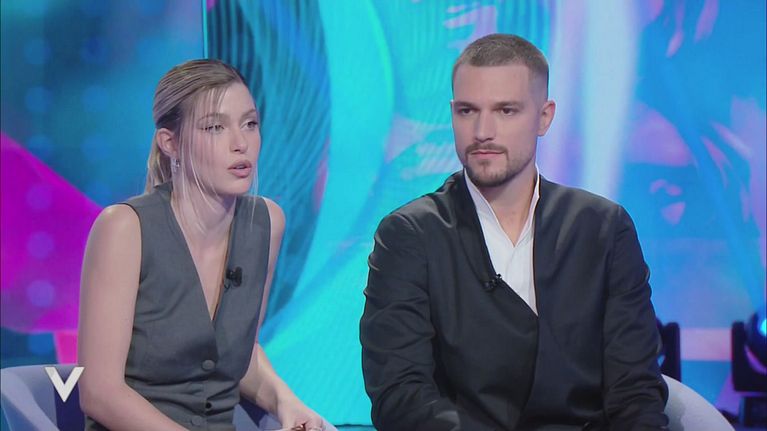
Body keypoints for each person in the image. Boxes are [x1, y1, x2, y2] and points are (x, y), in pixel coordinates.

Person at [360, 34, 669, 430]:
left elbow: (635, 392)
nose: (482, 131)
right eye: (468, 111)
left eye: (506, 111)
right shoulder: (409, 236)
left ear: (544, 117)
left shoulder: (603, 229)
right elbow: (401, 397)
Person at [78, 59, 327, 431]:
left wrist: (286, 402)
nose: (241, 144)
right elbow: (100, 392)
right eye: (215, 127)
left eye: (250, 124)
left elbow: (241, 355)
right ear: (170, 143)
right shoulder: (124, 229)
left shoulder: (266, 223)